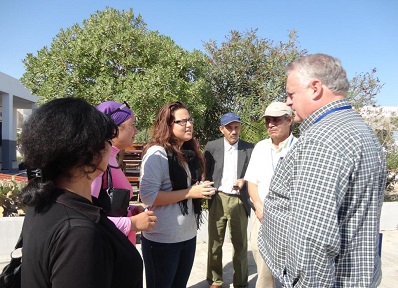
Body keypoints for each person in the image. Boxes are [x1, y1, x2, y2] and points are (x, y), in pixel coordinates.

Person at [258, 53, 387, 287]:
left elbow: (312, 240)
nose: (288, 102)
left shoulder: (321, 140)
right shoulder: (360, 130)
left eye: (291, 94)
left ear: (315, 88)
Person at [19, 98, 143, 287]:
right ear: (91, 154)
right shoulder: (78, 234)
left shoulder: (44, 203)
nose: (110, 146)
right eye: (107, 139)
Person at [140, 101, 216, 288]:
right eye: (182, 121)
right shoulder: (157, 153)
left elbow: (184, 190)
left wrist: (198, 189)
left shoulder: (187, 153)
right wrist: (190, 192)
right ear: (168, 125)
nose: (188, 124)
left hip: (187, 236)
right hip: (163, 240)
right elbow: (148, 196)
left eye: (190, 120)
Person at [244, 102, 297, 288]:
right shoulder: (260, 147)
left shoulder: (300, 148)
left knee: (292, 270)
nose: (271, 124)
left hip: (290, 220)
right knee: (264, 270)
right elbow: (252, 181)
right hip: (262, 217)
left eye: (276, 120)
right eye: (267, 121)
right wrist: (258, 205)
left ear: (290, 120)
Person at [92, 101, 157, 245]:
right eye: (132, 125)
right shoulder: (96, 163)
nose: (136, 131)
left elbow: (104, 204)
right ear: (114, 128)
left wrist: (129, 209)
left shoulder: (110, 159)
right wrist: (131, 223)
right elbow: (85, 217)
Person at [204, 112, 254, 288]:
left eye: (236, 127)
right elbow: (206, 170)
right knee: (214, 244)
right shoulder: (212, 147)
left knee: (240, 245)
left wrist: (244, 181)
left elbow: (255, 175)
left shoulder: (249, 148)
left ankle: (240, 283)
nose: (233, 131)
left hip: (239, 201)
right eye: (229, 128)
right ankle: (215, 280)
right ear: (221, 129)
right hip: (218, 198)